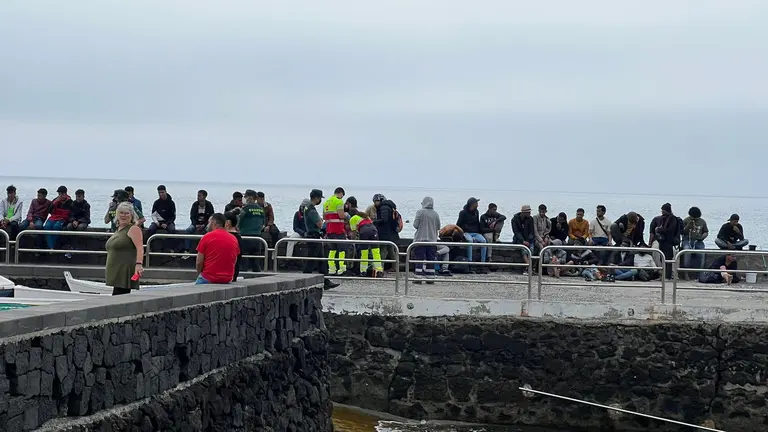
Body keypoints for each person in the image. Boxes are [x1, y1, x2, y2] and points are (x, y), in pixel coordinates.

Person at [303, 189, 339, 290]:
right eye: (320, 198)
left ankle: (326, 281)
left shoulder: (307, 208)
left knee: (321, 260)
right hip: (314, 236)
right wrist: (322, 223)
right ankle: (304, 281)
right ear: (317, 198)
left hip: (313, 236)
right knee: (312, 261)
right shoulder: (311, 209)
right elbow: (319, 224)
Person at [105, 202, 144, 295]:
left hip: (125, 270)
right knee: (117, 295)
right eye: (121, 213)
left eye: (127, 213)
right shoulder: (118, 229)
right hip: (115, 269)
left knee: (119, 297)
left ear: (132, 215)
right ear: (117, 215)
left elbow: (140, 248)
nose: (123, 215)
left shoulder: (133, 229)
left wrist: (139, 265)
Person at [195, 213, 240, 284]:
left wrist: (200, 274)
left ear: (214, 223)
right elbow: (234, 259)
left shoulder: (207, 237)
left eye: (209, 222)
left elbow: (199, 262)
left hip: (209, 277)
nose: (207, 225)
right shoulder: (233, 238)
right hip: (227, 278)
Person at [412, 196, 441, 282]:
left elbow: (415, 225)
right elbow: (438, 226)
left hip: (420, 239)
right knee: (431, 259)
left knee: (419, 259)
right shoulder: (435, 214)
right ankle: (430, 277)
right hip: (432, 240)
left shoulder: (420, 212)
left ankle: (418, 277)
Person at [648, 203, 680, 280]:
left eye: (663, 210)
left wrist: (659, 230)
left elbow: (670, 230)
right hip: (662, 241)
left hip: (668, 241)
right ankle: (662, 274)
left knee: (668, 258)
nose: (662, 212)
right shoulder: (661, 219)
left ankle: (668, 275)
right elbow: (653, 231)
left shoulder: (673, 219)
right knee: (662, 258)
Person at [456, 197, 487, 272]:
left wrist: (481, 232)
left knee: (484, 241)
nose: (477, 205)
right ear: (472, 204)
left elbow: (477, 223)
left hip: (475, 233)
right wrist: (461, 234)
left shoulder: (476, 212)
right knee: (470, 241)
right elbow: (458, 224)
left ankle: (482, 264)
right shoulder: (463, 213)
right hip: (466, 232)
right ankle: (469, 263)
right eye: (476, 203)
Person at [349, 210, 383, 277]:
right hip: (373, 229)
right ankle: (379, 270)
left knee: (364, 252)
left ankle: (363, 271)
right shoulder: (365, 216)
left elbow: (353, 233)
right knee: (376, 251)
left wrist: (353, 241)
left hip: (364, 231)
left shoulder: (352, 219)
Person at [238, 189, 266, 272]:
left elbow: (238, 221)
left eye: (245, 196)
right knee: (255, 261)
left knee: (243, 262)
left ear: (249, 198)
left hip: (245, 237)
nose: (244, 198)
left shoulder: (245, 209)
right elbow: (263, 224)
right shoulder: (261, 209)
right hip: (257, 237)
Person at [323, 187, 348, 276]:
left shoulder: (326, 202)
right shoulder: (339, 201)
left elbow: (324, 217)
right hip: (338, 230)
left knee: (332, 250)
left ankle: (332, 269)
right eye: (342, 196)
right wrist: (347, 215)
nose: (342, 198)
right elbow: (341, 215)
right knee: (342, 250)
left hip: (329, 230)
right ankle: (341, 269)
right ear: (340, 193)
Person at [371, 194, 400, 269]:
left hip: (385, 232)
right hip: (391, 232)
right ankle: (395, 267)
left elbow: (384, 219)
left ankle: (381, 267)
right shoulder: (389, 206)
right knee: (391, 250)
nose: (375, 203)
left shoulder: (384, 207)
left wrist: (374, 221)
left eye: (376, 201)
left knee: (383, 250)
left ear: (381, 200)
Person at [182, 189, 215, 257]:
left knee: (208, 232)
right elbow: (192, 216)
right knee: (188, 231)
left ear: (205, 197)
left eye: (200, 196)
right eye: (198, 196)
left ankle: (206, 250)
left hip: (205, 223)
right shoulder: (195, 204)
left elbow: (211, 216)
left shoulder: (209, 205)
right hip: (196, 223)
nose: (198, 197)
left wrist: (204, 225)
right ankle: (187, 250)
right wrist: (195, 224)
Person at [44, 186, 73, 250]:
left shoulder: (70, 201)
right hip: (53, 217)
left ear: (66, 194)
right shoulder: (55, 200)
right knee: (47, 227)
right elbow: (49, 211)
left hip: (63, 219)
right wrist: (54, 203)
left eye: (62, 194)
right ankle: (51, 247)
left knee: (56, 227)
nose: (60, 196)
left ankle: (51, 247)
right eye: (59, 194)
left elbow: (71, 213)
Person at [511, 204, 535, 272]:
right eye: (528, 212)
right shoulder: (514, 219)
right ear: (524, 212)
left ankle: (528, 268)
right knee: (524, 250)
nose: (530, 213)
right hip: (519, 239)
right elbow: (516, 232)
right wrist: (523, 241)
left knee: (531, 249)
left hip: (529, 239)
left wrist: (528, 240)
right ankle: (529, 267)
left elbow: (531, 231)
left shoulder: (530, 219)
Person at [224, 211, 243, 282]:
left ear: (228, 223)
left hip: (226, 274)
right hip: (233, 274)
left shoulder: (229, 237)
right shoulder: (239, 238)